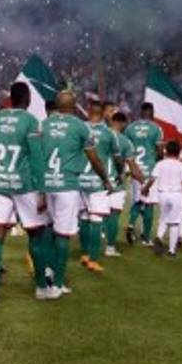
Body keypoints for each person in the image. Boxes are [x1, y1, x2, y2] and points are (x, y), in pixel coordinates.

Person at [0, 82, 50, 307]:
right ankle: (42, 288)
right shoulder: (31, 121)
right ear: (28, 99)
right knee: (35, 235)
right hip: (24, 186)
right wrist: (42, 191)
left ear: (11, 99)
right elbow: (37, 158)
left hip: (0, 186)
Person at [38, 91, 109, 297]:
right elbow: (94, 159)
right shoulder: (80, 126)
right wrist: (104, 178)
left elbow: (37, 154)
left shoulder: (45, 124)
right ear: (75, 106)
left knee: (49, 230)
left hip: (47, 184)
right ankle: (58, 284)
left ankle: (47, 273)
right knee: (63, 234)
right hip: (67, 185)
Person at [81, 100, 118, 272]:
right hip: (98, 181)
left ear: (89, 112)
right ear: (102, 113)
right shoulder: (109, 134)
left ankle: (84, 253)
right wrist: (112, 176)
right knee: (96, 219)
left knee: (83, 217)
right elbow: (117, 157)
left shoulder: (79, 129)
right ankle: (93, 260)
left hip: (80, 180)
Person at [142, 140, 182, 257]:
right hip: (176, 195)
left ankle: (159, 237)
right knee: (175, 223)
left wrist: (145, 189)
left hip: (162, 195)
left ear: (166, 151)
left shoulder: (160, 164)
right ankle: (171, 250)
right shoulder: (181, 165)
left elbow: (152, 179)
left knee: (164, 218)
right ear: (179, 152)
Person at [125, 103, 164, 246]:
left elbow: (125, 147)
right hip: (150, 169)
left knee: (137, 201)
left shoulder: (130, 128)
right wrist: (159, 163)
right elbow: (160, 151)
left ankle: (130, 225)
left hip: (135, 169)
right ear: (152, 112)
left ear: (141, 112)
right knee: (149, 204)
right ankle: (146, 238)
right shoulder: (156, 128)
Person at [105, 110, 134, 257]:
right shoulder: (125, 141)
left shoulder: (100, 136)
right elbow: (128, 165)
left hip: (98, 181)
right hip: (116, 182)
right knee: (114, 214)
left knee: (96, 215)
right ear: (122, 123)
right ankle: (110, 247)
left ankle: (92, 247)